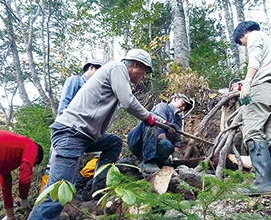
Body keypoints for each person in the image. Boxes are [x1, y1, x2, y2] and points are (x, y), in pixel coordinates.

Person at [28, 49, 174, 219]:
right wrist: (150, 119)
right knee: (57, 192)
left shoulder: (118, 79)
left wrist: (162, 123)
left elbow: (133, 105)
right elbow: (128, 102)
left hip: (84, 135)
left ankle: (97, 190)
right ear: (136, 65)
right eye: (144, 72)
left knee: (113, 143)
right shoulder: (117, 68)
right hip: (71, 133)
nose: (143, 77)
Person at [233, 21, 271, 196]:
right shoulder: (269, 42)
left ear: (244, 32)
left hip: (260, 91)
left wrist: (248, 83)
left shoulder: (255, 36)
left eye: (241, 40)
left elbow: (255, 59)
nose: (243, 44)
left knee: (252, 133)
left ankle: (262, 185)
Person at [40, 59, 105, 192]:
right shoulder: (75, 81)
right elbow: (64, 105)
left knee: (101, 153)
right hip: (66, 129)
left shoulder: (96, 88)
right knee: (52, 165)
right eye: (99, 71)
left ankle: (82, 183)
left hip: (86, 132)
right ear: (91, 68)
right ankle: (45, 198)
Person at [127, 93, 193, 173]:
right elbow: (158, 128)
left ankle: (155, 162)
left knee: (167, 146)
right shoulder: (162, 106)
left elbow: (177, 140)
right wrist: (168, 154)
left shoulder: (178, 119)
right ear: (175, 98)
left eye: (185, 107)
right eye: (183, 104)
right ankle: (149, 161)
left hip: (153, 144)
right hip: (137, 140)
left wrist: (175, 156)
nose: (183, 108)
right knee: (153, 124)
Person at [0, 130, 44, 220]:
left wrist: (10, 215)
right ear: (37, 157)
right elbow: (24, 176)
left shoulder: (7, 156)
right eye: (34, 163)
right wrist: (24, 199)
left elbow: (6, 186)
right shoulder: (32, 146)